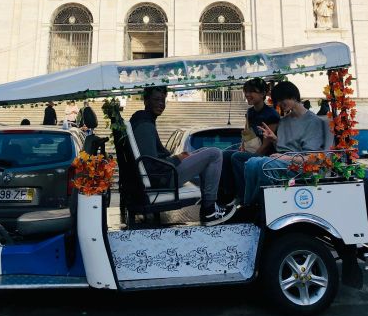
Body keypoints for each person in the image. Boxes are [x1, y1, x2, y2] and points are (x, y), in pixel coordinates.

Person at [130, 86, 236, 226]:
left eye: (163, 100)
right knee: (215, 154)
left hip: (163, 175)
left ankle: (209, 204)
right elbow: (151, 165)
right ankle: (209, 209)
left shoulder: (146, 121)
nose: (161, 104)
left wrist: (179, 157)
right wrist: (176, 159)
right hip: (163, 179)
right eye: (156, 99)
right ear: (146, 100)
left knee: (204, 151)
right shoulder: (145, 126)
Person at [241, 81, 326, 206]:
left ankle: (256, 205)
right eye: (277, 101)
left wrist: (286, 157)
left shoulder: (313, 122)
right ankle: (248, 204)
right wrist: (274, 139)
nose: (280, 104)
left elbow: (312, 158)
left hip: (300, 166)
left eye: (282, 100)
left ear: (293, 96)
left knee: (263, 165)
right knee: (251, 163)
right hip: (283, 161)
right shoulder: (285, 121)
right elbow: (282, 147)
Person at [219, 79, 280, 206]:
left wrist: (251, 157)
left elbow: (266, 144)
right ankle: (229, 194)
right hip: (252, 150)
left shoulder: (272, 114)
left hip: (266, 155)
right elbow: (247, 134)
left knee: (237, 157)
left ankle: (244, 197)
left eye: (252, 91)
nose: (247, 94)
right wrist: (243, 147)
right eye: (246, 91)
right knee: (224, 155)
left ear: (263, 94)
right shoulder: (250, 112)